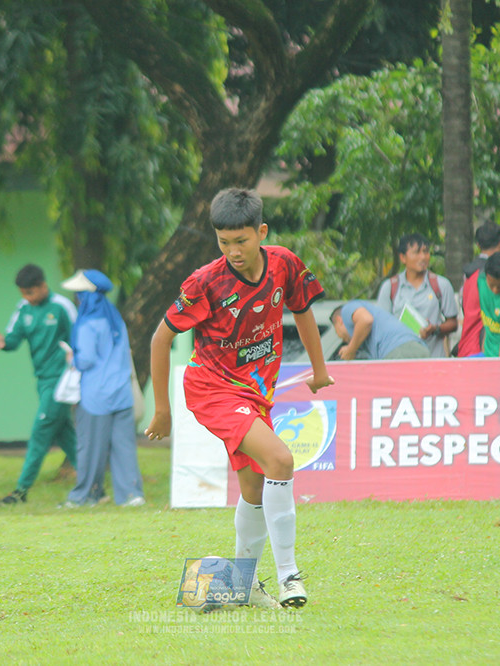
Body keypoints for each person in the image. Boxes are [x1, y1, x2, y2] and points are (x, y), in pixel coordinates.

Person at [145, 187, 333, 609]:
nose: (233, 251)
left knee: (254, 485)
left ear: (261, 232)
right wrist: (162, 411)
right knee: (281, 459)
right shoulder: (205, 282)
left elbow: (302, 308)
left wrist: (319, 370)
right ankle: (290, 577)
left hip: (254, 392)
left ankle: (241, 583)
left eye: (241, 241)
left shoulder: (284, 263)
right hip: (212, 388)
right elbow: (160, 339)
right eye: (223, 242)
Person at [58, 269, 145, 508]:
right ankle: (131, 495)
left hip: (95, 396)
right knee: (124, 448)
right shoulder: (115, 319)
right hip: (122, 394)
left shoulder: (87, 324)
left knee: (90, 449)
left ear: (86, 297)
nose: (77, 299)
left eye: (79, 294)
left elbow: (85, 360)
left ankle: (84, 496)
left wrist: (71, 357)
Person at [0, 264, 78, 505]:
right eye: (23, 293)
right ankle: (91, 486)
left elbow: (79, 340)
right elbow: (12, 339)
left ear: (43, 286)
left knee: (40, 432)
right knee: (64, 435)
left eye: (30, 292)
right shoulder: (23, 308)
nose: (26, 298)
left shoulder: (62, 307)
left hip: (60, 381)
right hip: (42, 380)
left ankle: (21, 491)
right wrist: (1, 342)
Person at [376, 233, 458, 357]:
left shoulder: (441, 285)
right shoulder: (390, 287)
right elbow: (381, 326)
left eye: (426, 252)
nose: (423, 257)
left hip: (433, 360)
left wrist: (434, 329)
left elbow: (453, 323)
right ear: (403, 257)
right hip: (401, 360)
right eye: (416, 252)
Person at [458, 223, 500, 357]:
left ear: (478, 245)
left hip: (466, 346)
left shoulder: (468, 274)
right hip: (484, 349)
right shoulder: (493, 275)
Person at [330, 301, 429, 360]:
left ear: (339, 321)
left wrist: (351, 349)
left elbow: (366, 320)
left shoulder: (347, 309)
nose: (341, 338)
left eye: (336, 332)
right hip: (418, 348)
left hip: (398, 351)